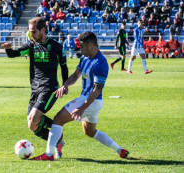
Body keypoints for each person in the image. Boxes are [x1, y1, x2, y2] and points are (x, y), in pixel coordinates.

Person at [31, 32, 129, 161]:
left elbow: (96, 90)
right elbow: (76, 75)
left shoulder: (100, 63)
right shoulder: (85, 58)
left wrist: (82, 108)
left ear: (90, 44)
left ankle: (48, 154)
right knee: (90, 132)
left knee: (58, 119)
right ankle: (120, 150)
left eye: (82, 46)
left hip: (90, 100)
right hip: (93, 103)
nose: (80, 49)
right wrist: (65, 85)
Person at [1, 17, 69, 158]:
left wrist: (65, 85)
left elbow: (64, 66)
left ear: (43, 30)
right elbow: (14, 54)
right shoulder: (31, 45)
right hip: (35, 88)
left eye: (33, 31)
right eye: (30, 32)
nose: (31, 34)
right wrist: (8, 49)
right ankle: (58, 140)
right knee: (32, 125)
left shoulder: (56, 46)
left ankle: (57, 132)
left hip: (50, 88)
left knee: (35, 117)